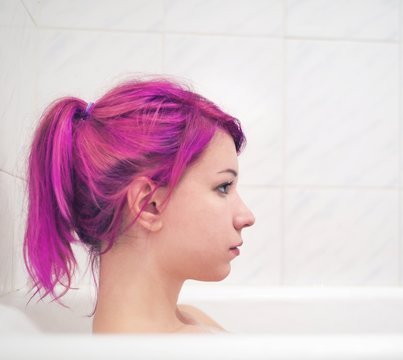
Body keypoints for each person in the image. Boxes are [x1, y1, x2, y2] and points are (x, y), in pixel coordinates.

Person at [23, 76, 256, 333]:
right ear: (149, 205)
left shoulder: (188, 321)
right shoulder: (186, 349)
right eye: (223, 187)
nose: (246, 216)